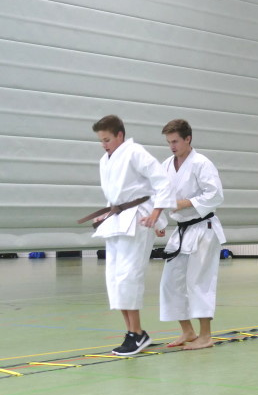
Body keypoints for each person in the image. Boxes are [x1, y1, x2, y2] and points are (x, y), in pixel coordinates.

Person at [84, 115, 172, 356]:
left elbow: (162, 182)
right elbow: (116, 194)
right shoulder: (105, 160)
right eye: (101, 140)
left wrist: (156, 214)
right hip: (117, 220)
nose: (104, 144)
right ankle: (133, 332)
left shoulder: (135, 152)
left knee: (128, 276)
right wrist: (106, 213)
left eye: (107, 139)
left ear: (120, 135)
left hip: (137, 219)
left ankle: (137, 333)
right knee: (115, 277)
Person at [157, 119, 226, 350]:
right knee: (170, 282)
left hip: (203, 229)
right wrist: (159, 220)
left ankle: (206, 336)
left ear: (188, 139)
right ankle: (188, 331)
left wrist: (185, 203)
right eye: (169, 142)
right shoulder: (166, 165)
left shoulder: (201, 163)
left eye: (175, 141)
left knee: (199, 282)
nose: (172, 146)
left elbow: (215, 195)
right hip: (182, 230)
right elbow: (160, 195)